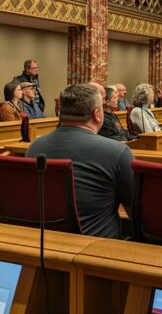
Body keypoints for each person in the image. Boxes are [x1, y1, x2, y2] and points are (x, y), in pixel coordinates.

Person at [25, 84, 134, 238]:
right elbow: (135, 213)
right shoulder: (117, 152)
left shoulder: (34, 148)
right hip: (95, 250)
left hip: (44, 241)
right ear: (97, 114)